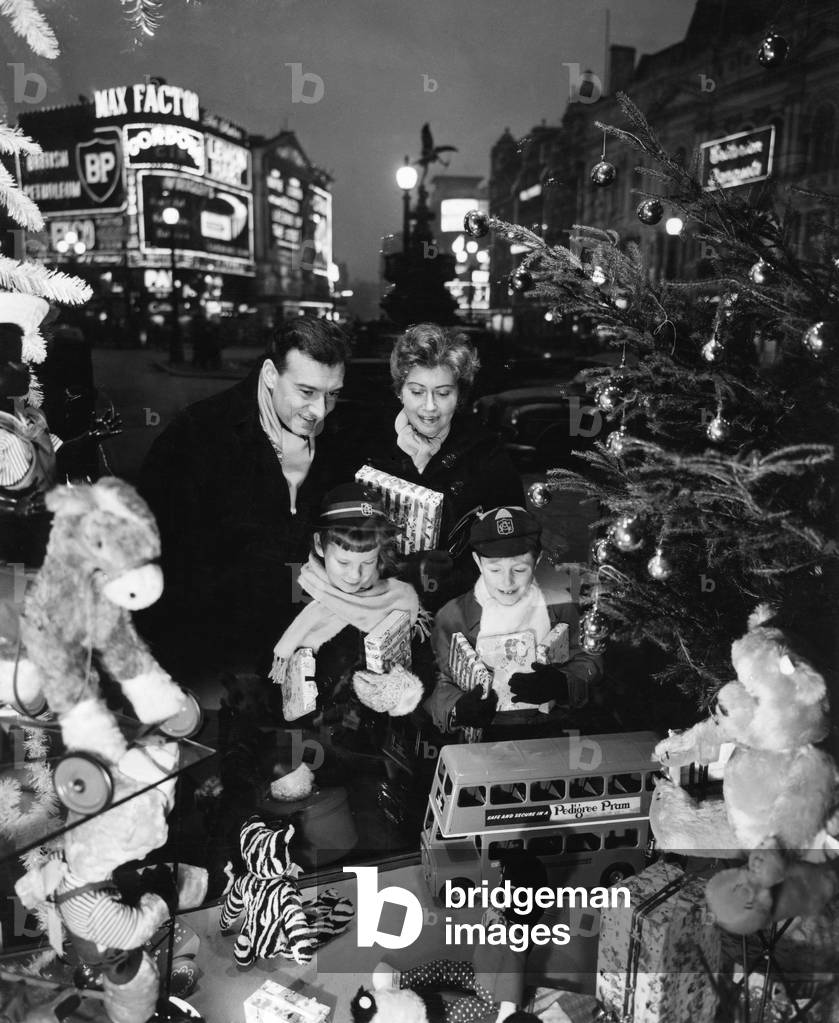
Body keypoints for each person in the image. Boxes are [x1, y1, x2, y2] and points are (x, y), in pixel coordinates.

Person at [137, 317, 351, 680]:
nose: (320, 411)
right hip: (212, 661)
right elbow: (159, 556)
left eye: (332, 394)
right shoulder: (197, 435)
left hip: (303, 653)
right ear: (270, 374)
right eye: (306, 392)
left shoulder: (341, 436)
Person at [359, 323, 523, 610]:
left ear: (459, 395)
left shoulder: (485, 452)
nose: (430, 407)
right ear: (400, 391)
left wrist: (455, 574)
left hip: (458, 608)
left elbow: (515, 539)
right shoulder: (366, 443)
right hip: (376, 604)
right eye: (417, 392)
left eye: (443, 393)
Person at [270, 483, 433, 752]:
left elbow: (425, 666)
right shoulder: (294, 593)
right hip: (306, 740)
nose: (355, 576)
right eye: (343, 562)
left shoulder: (401, 597)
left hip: (374, 747)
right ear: (319, 545)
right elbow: (268, 677)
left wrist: (400, 690)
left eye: (367, 563)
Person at [425, 506, 604, 741]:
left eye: (519, 569)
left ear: (537, 560)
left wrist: (563, 684)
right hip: (485, 738)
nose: (507, 582)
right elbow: (434, 682)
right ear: (478, 563)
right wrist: (458, 707)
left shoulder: (558, 607)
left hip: (551, 732)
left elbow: (590, 661)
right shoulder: (452, 616)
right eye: (495, 569)